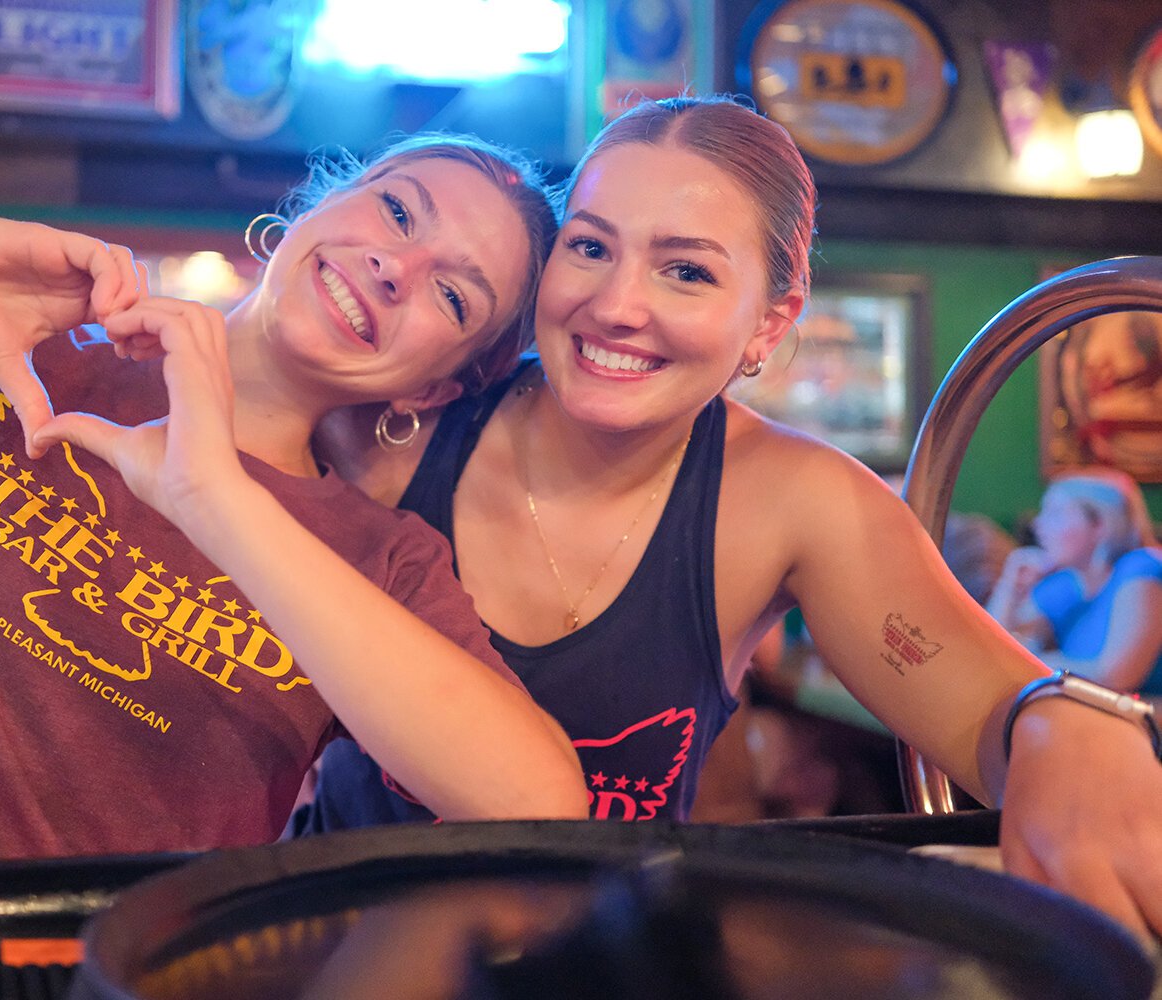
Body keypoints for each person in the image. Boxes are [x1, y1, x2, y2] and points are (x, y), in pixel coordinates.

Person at [299, 95, 1162, 941]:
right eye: (590, 246)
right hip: (319, 942)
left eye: (687, 271)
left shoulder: (792, 498)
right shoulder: (412, 421)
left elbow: (1001, 711)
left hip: (607, 969)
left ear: (770, 322)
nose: (615, 305)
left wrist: (1067, 729)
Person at [0, 135, 589, 867]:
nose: (399, 265)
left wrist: (215, 497)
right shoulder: (17, 354)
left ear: (431, 391)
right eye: (396, 210)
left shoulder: (380, 561)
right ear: (317, 204)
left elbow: (536, 801)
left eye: (455, 297)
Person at [987, 466, 1162, 695]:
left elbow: (1115, 677)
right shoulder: (1066, 584)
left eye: (1055, 514)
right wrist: (1010, 588)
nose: (1038, 525)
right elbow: (988, 649)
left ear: (1100, 525)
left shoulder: (1141, 568)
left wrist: (1024, 661)